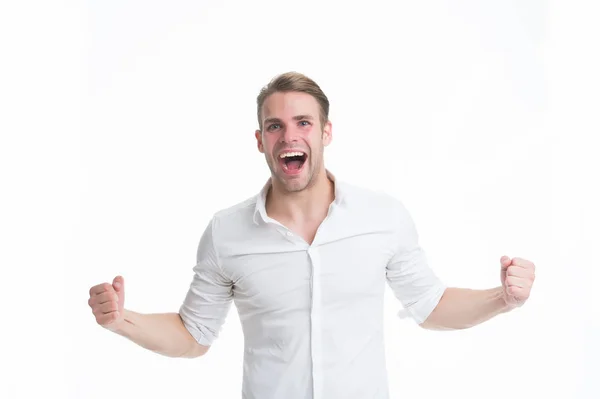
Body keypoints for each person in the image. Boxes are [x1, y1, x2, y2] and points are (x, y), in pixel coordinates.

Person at [88, 71, 536, 398]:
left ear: (325, 133)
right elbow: (193, 335)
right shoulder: (227, 233)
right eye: (275, 126)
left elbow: (431, 305)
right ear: (260, 140)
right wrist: (121, 320)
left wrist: (503, 298)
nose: (289, 135)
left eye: (303, 122)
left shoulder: (382, 217)